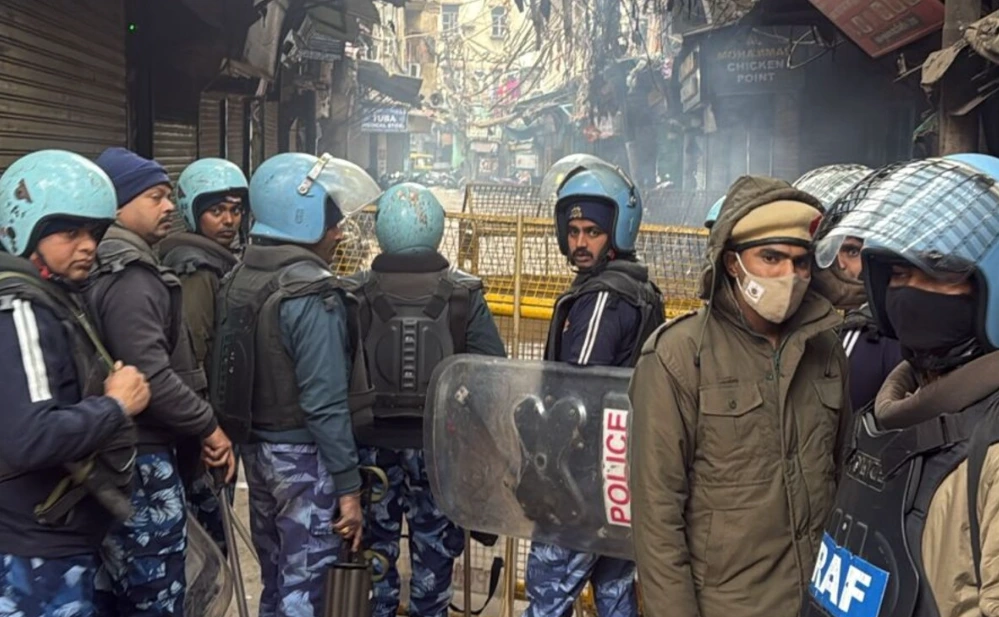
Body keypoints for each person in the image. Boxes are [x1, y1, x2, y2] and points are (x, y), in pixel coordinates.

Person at [628, 175, 852, 617]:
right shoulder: (678, 356)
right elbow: (657, 521)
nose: (789, 275)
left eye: (801, 261)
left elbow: (842, 478)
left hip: (817, 603)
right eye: (771, 257)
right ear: (732, 263)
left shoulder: (826, 349)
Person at [801, 154, 999, 617]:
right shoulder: (886, 411)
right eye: (900, 274)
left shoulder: (988, 447)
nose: (909, 290)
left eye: (936, 274)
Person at [210, 152, 380, 617]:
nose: (339, 232)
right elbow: (324, 402)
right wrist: (348, 487)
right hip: (305, 459)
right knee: (306, 589)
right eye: (331, 222)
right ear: (301, 217)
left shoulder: (238, 278)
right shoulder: (311, 292)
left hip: (256, 455)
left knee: (277, 580)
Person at [341, 183, 506, 617]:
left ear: (382, 231)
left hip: (370, 449)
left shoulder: (352, 294)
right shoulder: (463, 296)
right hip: (440, 451)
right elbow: (492, 373)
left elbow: (336, 373)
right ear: (436, 230)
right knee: (434, 559)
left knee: (374, 556)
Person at [85, 147, 236, 617]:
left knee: (114, 590)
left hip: (111, 454)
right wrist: (208, 426)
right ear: (117, 205)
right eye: (155, 196)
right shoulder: (130, 272)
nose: (169, 206)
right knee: (157, 593)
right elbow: (152, 373)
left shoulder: (100, 262)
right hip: (140, 456)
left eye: (170, 196)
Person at [0, 150, 150, 616]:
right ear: (25, 230)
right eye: (70, 233)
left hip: (50, 533)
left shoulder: (53, 299)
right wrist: (116, 405)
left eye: (94, 233)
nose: (88, 245)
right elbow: (32, 437)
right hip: (35, 545)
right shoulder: (21, 311)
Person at [523, 160, 664, 617]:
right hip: (618, 479)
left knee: (548, 595)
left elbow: (574, 403)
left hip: (581, 483)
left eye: (592, 232)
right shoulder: (639, 289)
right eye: (574, 230)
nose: (579, 242)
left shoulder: (604, 297)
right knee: (615, 593)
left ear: (617, 232)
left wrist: (552, 484)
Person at [159, 157, 249, 554]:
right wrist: (206, 428)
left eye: (235, 210)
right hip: (202, 429)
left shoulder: (219, 262)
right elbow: (194, 352)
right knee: (208, 545)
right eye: (216, 211)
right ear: (193, 214)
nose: (228, 220)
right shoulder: (195, 269)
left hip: (211, 421)